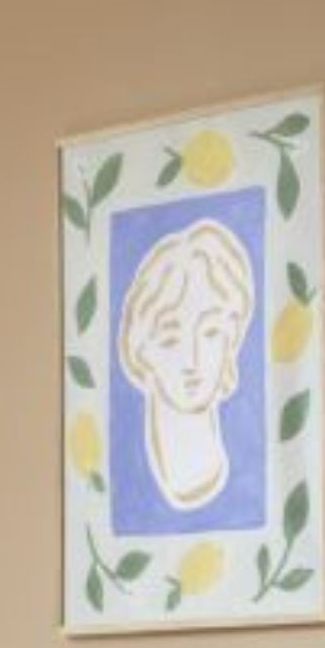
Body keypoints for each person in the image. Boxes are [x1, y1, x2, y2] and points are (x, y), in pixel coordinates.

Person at [114, 216, 255, 512]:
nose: (192, 360)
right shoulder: (120, 486)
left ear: (231, 341)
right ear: (142, 350)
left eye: (211, 332)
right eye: (170, 338)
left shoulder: (251, 480)